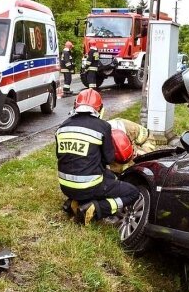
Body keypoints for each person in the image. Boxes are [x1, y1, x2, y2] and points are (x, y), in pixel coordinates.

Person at [55, 89, 140, 225]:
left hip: (65, 186)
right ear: (99, 109)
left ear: (75, 106)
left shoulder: (62, 127)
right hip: (90, 186)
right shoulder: (103, 126)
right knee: (132, 193)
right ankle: (95, 209)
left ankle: (74, 202)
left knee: (108, 177)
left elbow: (60, 156)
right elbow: (109, 159)